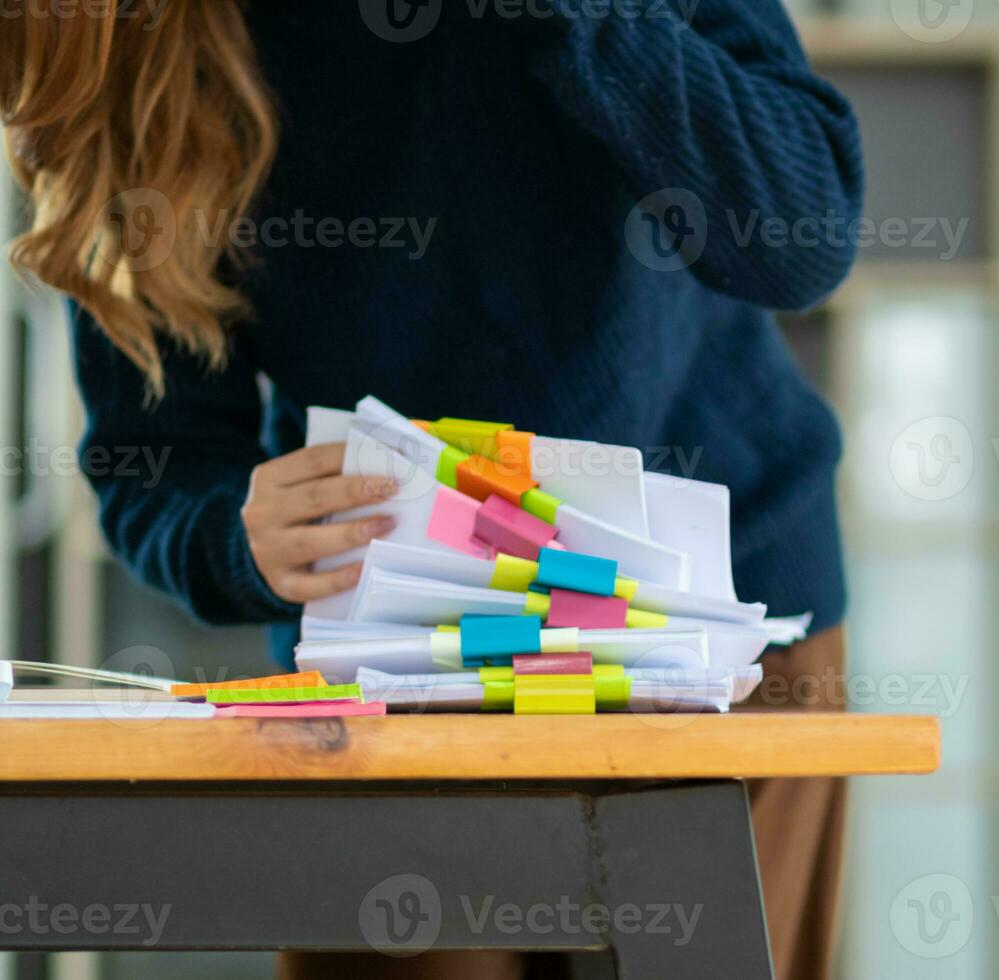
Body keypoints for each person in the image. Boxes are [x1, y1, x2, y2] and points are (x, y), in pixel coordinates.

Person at [0, 2, 861, 977]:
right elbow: (153, 457)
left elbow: (805, 234)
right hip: (392, 690)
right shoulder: (130, 42)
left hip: (718, 645)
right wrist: (238, 540)